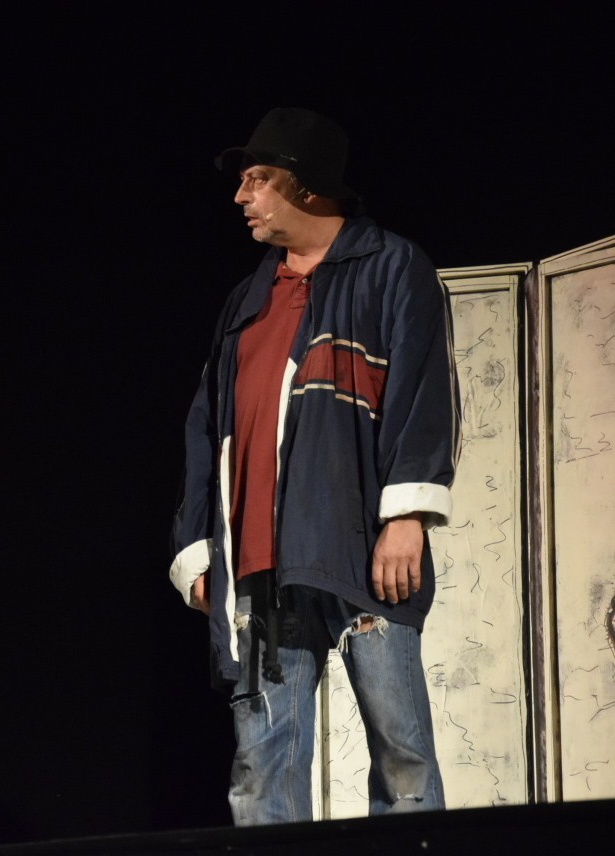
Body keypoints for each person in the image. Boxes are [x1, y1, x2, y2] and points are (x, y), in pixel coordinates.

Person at [170, 108, 459, 825]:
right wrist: (199, 546)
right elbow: (206, 428)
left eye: (257, 180)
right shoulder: (248, 299)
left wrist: (407, 518)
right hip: (261, 565)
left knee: (402, 756)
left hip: (359, 549)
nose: (242, 197)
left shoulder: (392, 267)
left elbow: (425, 395)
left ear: (303, 186)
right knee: (260, 768)